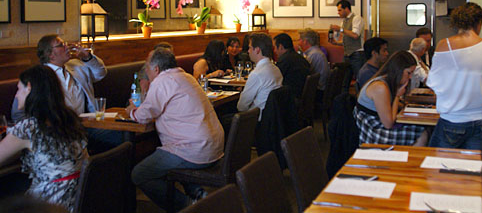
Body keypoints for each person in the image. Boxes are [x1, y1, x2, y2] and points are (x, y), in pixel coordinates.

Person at [126, 48, 224, 211]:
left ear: (156, 69)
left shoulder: (162, 82)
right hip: (214, 146)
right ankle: (198, 194)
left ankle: (187, 206)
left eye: (147, 68)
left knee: (139, 174)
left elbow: (143, 115)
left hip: (194, 150)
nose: (147, 72)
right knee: (175, 152)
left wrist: (131, 110)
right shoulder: (186, 76)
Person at [0, 65, 88, 212]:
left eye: (18, 88)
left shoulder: (30, 128)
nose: (16, 95)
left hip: (49, 202)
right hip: (79, 197)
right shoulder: (70, 119)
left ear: (29, 88)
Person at [11, 35, 117, 154]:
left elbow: (101, 73)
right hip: (62, 130)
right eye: (61, 45)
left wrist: (87, 57)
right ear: (50, 54)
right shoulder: (39, 77)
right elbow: (18, 112)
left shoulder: (77, 66)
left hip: (88, 123)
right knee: (121, 137)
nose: (67, 47)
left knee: (123, 134)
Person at [428, 2, 482, 149]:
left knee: (440, 167)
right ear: (479, 22)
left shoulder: (445, 45)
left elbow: (434, 83)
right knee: (474, 169)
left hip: (453, 119)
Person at [354, 51, 427, 146]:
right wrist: (397, 95)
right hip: (373, 132)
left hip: (377, 125)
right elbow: (388, 124)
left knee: (422, 128)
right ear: (399, 70)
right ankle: (408, 160)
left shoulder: (384, 81)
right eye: (408, 73)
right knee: (422, 133)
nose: (409, 77)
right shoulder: (380, 87)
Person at [237, 33, 282, 121]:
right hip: (274, 119)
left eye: (250, 47)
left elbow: (241, 106)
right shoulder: (276, 69)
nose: (248, 51)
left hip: (257, 121)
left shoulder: (257, 74)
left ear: (257, 50)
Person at [330, 0, 365, 92]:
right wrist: (336, 43)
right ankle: (344, 102)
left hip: (357, 54)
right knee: (344, 80)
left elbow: (355, 35)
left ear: (346, 9)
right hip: (347, 55)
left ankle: (361, 101)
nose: (338, 13)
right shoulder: (343, 22)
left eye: (340, 10)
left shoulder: (357, 18)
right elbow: (347, 40)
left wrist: (341, 29)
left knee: (359, 80)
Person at [273, 33, 311, 101]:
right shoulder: (300, 58)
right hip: (304, 97)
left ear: (281, 47)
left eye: (275, 47)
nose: (274, 51)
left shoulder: (285, 60)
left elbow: (274, 79)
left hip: (292, 100)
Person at [298, 28, 329, 105]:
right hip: (322, 89)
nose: (298, 43)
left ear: (305, 41)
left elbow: (306, 73)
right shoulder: (315, 52)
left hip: (318, 91)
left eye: (300, 40)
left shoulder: (313, 54)